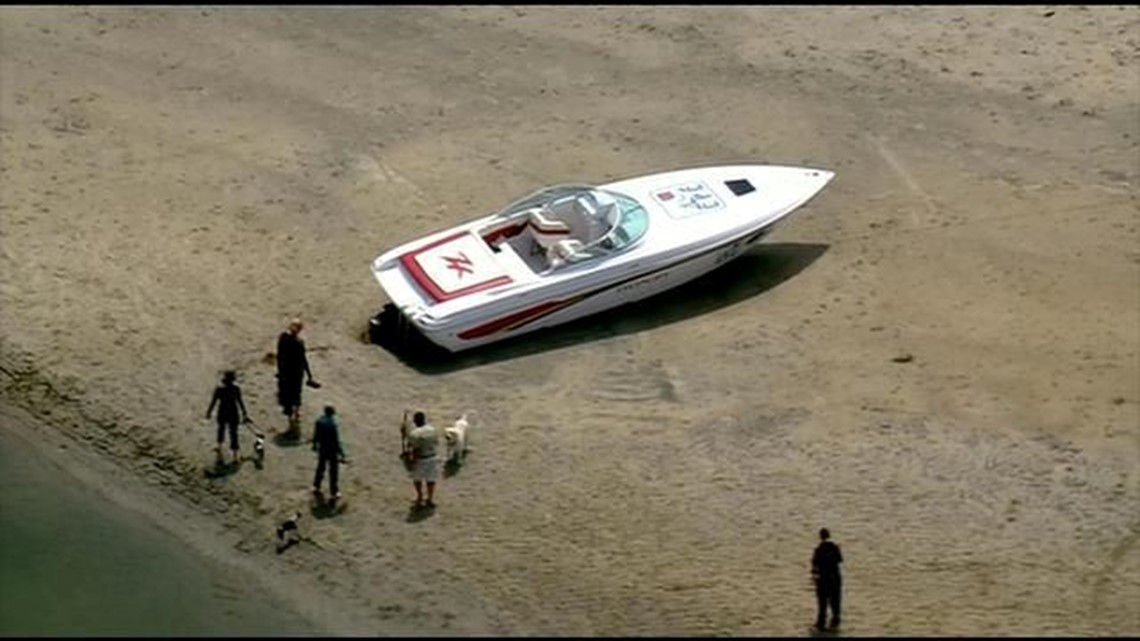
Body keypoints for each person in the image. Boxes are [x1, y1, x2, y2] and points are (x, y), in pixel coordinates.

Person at [276, 318, 319, 436]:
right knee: (295, 396)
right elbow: (303, 359)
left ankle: (292, 423)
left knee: (288, 397)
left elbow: (280, 357)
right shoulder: (298, 342)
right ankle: (295, 420)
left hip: (288, 373)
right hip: (296, 373)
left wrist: (279, 371)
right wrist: (309, 375)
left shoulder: (284, 339)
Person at [205, 370, 248, 464]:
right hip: (233, 412)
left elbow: (213, 402)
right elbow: (240, 402)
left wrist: (209, 412)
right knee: (234, 433)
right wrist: (245, 413)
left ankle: (219, 448)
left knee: (221, 430)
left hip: (223, 412)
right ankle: (235, 456)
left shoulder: (219, 389)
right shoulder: (236, 389)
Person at [311, 405, 346, 502]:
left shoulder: (319, 421)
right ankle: (333, 492)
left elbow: (316, 435)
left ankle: (316, 486)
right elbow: (335, 440)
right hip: (332, 450)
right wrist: (342, 453)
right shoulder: (332, 424)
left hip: (322, 448)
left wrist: (314, 444)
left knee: (320, 468)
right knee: (333, 472)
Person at [812, 527, 844, 631]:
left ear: (820, 536)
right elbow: (840, 560)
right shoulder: (835, 547)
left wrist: (814, 578)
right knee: (835, 600)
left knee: (822, 602)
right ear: (829, 535)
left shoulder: (818, 549)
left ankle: (821, 623)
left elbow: (815, 565)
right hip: (835, 577)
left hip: (823, 579)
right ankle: (835, 620)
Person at [406, 411, 439, 509]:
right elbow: (436, 443)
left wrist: (412, 461)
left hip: (421, 459)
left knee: (417, 479)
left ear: (415, 421)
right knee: (431, 479)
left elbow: (415, 449)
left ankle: (420, 497)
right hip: (432, 457)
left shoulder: (415, 434)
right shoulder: (433, 430)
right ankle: (430, 498)